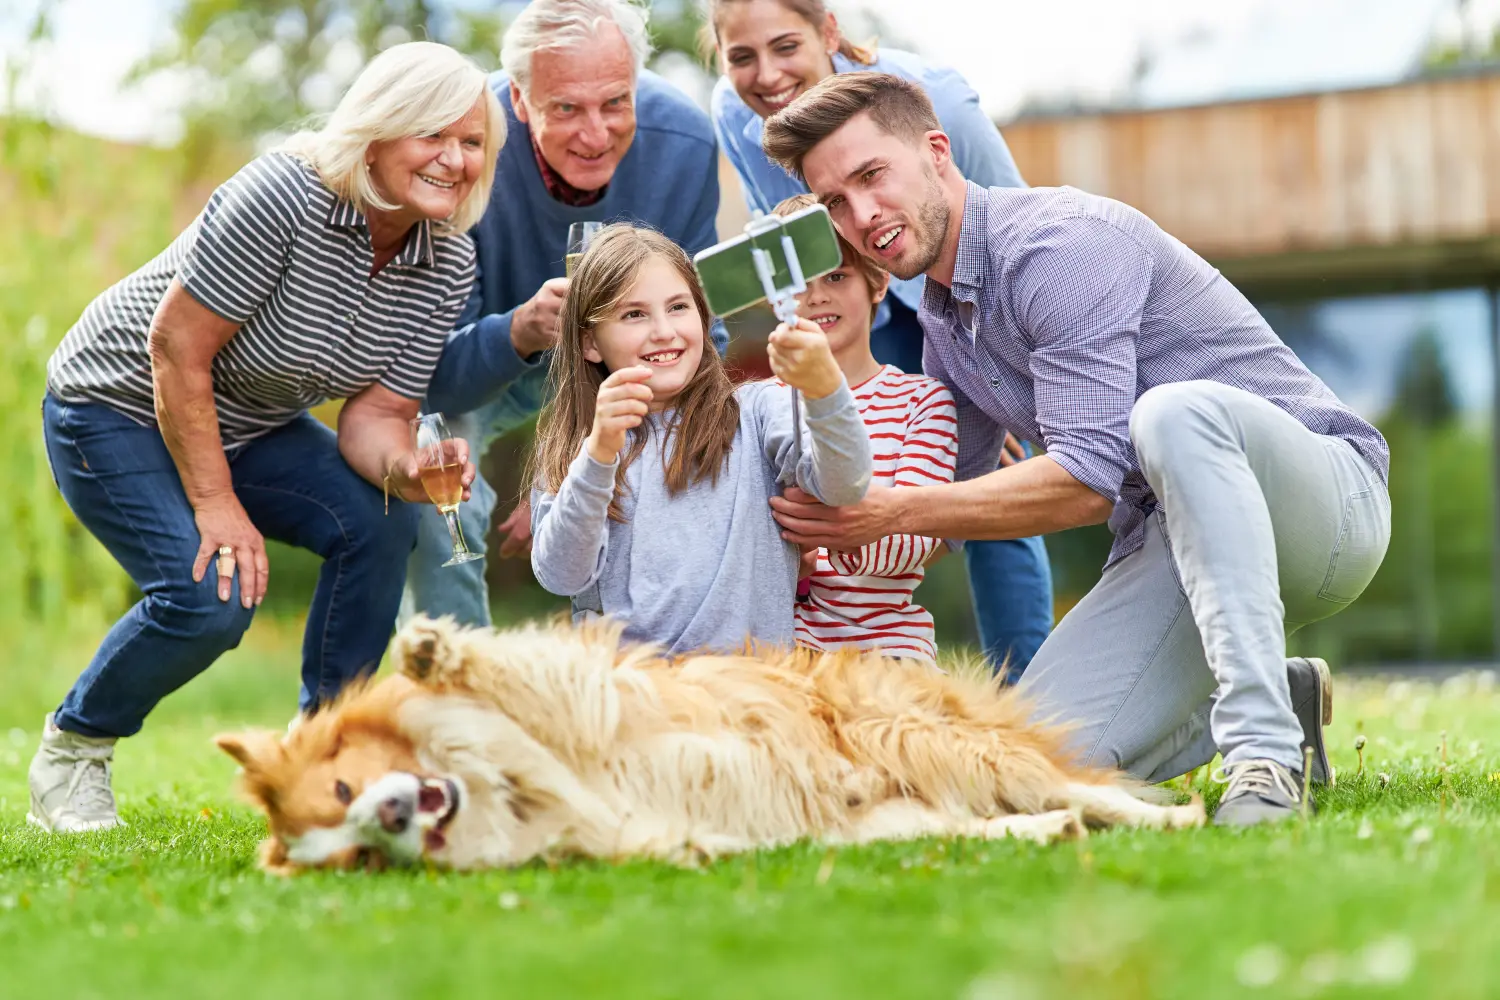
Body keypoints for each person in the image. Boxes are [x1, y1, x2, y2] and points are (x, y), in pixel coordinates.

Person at [759, 72, 1391, 825]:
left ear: (936, 152)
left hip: (1326, 509)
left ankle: (1263, 756)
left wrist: (891, 510)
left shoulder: (1059, 246)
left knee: (1172, 415)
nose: (861, 215)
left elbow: (1084, 481)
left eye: (871, 175)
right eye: (834, 201)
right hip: (1175, 552)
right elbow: (941, 519)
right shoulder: (942, 326)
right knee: (1028, 759)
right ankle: (1273, 690)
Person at [27, 41, 504, 834]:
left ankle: (324, 761)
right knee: (209, 598)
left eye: (472, 142)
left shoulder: (447, 260)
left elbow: (375, 419)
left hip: (245, 421)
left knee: (384, 518)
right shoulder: (286, 194)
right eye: (433, 135)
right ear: (379, 131)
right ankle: (75, 748)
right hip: (113, 405)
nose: (454, 160)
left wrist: (413, 471)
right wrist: (215, 504)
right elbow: (177, 348)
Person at [704, 0, 1051, 679]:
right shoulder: (732, 112)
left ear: (828, 32)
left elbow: (1012, 234)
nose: (766, 76)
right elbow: (785, 231)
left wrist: (994, 375)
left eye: (785, 47)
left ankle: (1028, 688)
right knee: (830, 464)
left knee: (989, 476)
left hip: (956, 293)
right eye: (741, 57)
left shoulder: (935, 99)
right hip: (859, 292)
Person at [404, 0, 724, 629]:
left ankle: (651, 673)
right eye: (567, 109)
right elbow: (433, 377)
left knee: (695, 463)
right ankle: (456, 681)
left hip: (625, 374)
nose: (596, 134)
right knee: (430, 472)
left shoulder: (684, 143)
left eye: (615, 103)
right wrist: (521, 329)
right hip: (484, 362)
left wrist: (571, 480)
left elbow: (698, 336)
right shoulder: (462, 147)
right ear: (519, 102)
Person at [529, 224, 872, 653]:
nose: (663, 331)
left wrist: (825, 391)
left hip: (748, 696)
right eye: (634, 314)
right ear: (589, 343)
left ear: (703, 317)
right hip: (636, 699)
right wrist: (598, 454)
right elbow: (562, 575)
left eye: (678, 307)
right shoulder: (577, 447)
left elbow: (845, 484)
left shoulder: (757, 413)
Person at [769, 194, 954, 666]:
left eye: (836, 275)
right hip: (773, 650)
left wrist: (826, 535)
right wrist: (781, 563)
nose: (815, 297)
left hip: (885, 648)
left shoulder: (921, 401)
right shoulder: (756, 406)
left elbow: (918, 537)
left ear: (878, 282)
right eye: (796, 282)